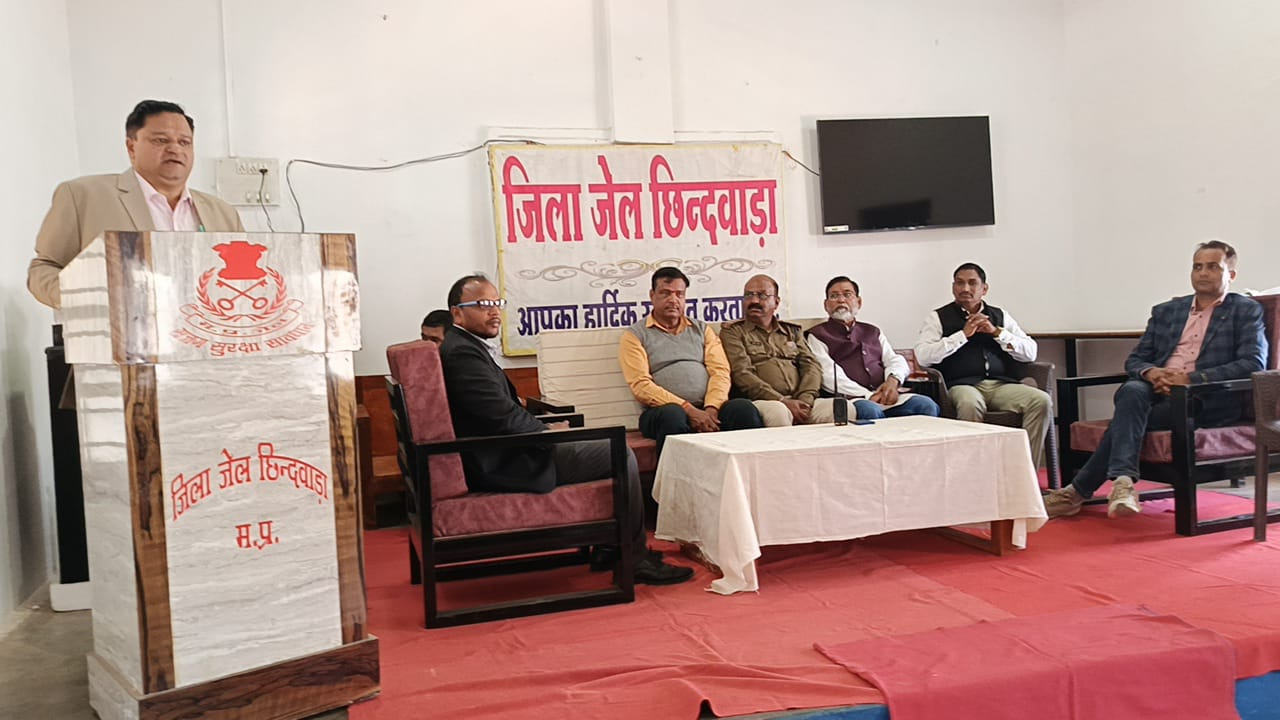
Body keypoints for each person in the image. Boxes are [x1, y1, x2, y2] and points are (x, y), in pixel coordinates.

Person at [439, 274, 692, 585]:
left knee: (607, 445)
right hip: (504, 460)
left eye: (497, 303)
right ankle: (634, 558)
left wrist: (545, 427)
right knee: (619, 452)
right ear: (457, 313)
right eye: (482, 304)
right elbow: (502, 417)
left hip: (506, 448)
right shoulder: (463, 354)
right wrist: (548, 433)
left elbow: (501, 411)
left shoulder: (465, 346)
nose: (494, 311)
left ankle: (612, 548)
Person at [1043, 241, 1267, 519]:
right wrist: (1152, 373)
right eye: (1197, 266)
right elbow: (1136, 360)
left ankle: (1082, 491)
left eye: (1212, 267)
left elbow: (1253, 363)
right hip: (1155, 388)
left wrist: (1190, 379)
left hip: (1204, 397)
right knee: (1132, 390)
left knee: (1128, 417)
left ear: (1231, 275)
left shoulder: (1245, 310)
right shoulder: (1167, 311)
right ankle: (1121, 483)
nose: (1202, 273)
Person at [28, 99, 244, 309]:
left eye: (184, 142)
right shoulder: (84, 196)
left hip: (206, 329)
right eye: (161, 140)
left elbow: (243, 280)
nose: (175, 149)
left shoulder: (223, 214)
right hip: (118, 329)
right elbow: (44, 269)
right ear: (131, 147)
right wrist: (92, 300)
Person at [913, 262, 1051, 465]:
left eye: (972, 283)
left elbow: (1030, 352)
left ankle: (1023, 469)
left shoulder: (1000, 316)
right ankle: (972, 470)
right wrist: (962, 335)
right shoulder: (938, 317)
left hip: (1001, 385)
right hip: (961, 385)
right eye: (959, 283)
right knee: (970, 403)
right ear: (953, 287)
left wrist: (997, 333)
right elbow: (923, 356)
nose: (965, 288)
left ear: (984, 289)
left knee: (1041, 401)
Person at [619, 267, 764, 454]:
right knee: (673, 415)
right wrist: (688, 409)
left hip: (708, 408)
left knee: (743, 409)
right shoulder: (635, 335)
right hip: (662, 412)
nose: (673, 300)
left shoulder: (702, 330)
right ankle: (676, 473)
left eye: (679, 294)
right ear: (652, 296)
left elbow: (720, 372)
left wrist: (711, 408)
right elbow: (641, 386)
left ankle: (749, 471)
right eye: (665, 293)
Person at [807, 276, 940, 420]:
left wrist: (892, 381)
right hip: (851, 398)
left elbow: (894, 359)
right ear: (826, 305)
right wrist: (869, 395)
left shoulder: (873, 331)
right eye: (834, 296)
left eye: (847, 294)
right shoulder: (817, 335)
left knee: (925, 405)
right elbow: (828, 375)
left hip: (886, 396)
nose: (841, 300)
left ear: (859, 302)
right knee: (870, 410)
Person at [719, 274, 832, 426]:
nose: (754, 301)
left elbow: (811, 366)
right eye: (749, 295)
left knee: (840, 409)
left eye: (762, 295)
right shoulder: (733, 332)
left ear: (776, 302)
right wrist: (782, 400)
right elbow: (741, 373)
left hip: (802, 400)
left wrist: (805, 400)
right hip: (764, 401)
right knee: (778, 412)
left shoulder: (792, 331)